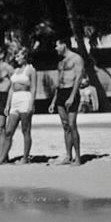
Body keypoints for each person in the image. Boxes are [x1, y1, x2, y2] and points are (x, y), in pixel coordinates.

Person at [0, 47, 37, 164]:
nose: (16, 58)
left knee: (25, 130)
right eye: (16, 56)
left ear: (25, 56)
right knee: (9, 131)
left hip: (25, 98)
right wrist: (7, 105)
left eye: (18, 56)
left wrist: (31, 104)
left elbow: (34, 88)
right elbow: (11, 89)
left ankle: (25, 157)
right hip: (15, 100)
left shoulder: (31, 70)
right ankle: (2, 157)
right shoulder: (15, 71)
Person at [49, 37, 83, 165]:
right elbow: (59, 83)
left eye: (57, 45)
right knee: (65, 125)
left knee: (72, 124)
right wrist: (53, 101)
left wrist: (72, 96)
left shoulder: (76, 58)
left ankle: (78, 158)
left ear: (64, 45)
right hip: (61, 94)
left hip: (71, 92)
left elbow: (78, 78)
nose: (55, 48)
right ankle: (68, 156)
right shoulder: (61, 62)